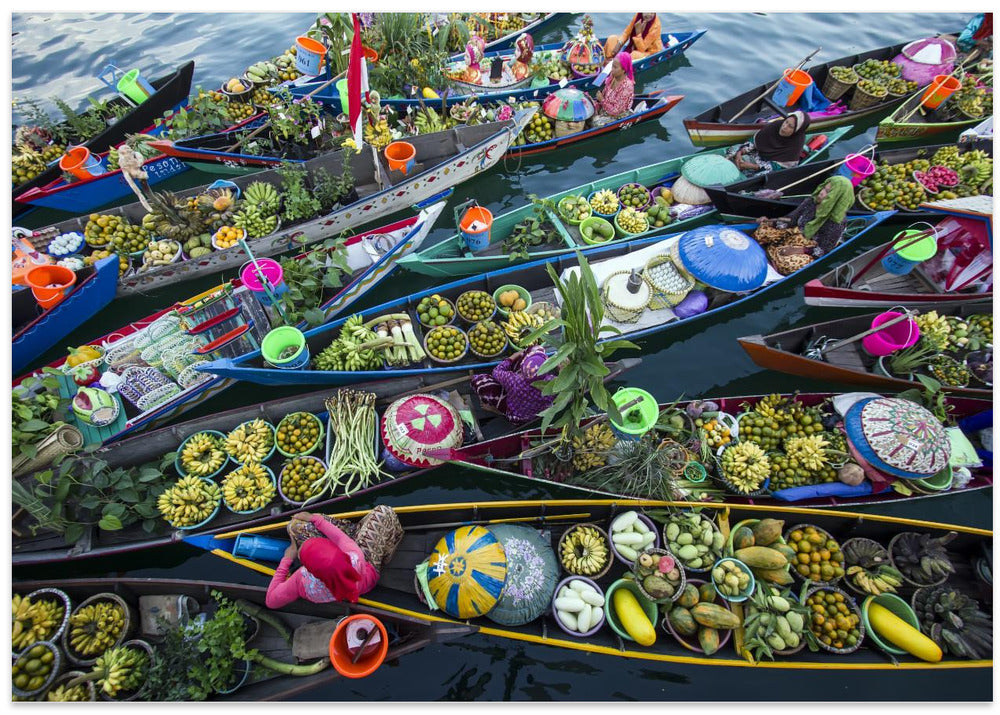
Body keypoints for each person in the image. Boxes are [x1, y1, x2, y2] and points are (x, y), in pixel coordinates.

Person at [266, 510, 388, 608]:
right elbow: (340, 538)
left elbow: (271, 601)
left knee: (294, 526)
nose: (300, 548)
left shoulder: (303, 582)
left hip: (341, 590)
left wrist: (286, 559)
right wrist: (316, 519)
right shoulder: (354, 557)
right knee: (383, 512)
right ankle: (364, 537)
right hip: (367, 575)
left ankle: (356, 532)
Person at [756, 176, 855, 273]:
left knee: (789, 264)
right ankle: (775, 257)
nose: (821, 192)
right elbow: (791, 219)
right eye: (824, 188)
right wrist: (770, 221)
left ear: (837, 198)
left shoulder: (837, 222)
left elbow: (823, 250)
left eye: (828, 192)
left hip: (809, 248)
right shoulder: (812, 201)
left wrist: (800, 250)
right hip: (794, 233)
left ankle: (775, 259)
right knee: (762, 232)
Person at [471, 345, 554, 425]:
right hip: (532, 416)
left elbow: (496, 371)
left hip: (514, 415)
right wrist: (559, 367)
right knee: (536, 348)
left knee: (480, 381)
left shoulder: (514, 380)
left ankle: (497, 411)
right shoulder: (552, 384)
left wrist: (512, 357)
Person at [726, 111, 811, 177]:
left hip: (766, 165)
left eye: (790, 126)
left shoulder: (795, 145)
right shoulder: (776, 125)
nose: (784, 127)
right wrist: (740, 152)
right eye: (786, 122)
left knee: (763, 175)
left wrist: (753, 166)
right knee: (734, 149)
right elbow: (754, 141)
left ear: (796, 130)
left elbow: (778, 168)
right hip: (757, 153)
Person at [591, 52, 635, 126]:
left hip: (618, 116)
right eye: (612, 66)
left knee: (594, 122)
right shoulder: (613, 77)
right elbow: (604, 96)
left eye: (615, 67)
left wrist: (602, 100)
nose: (612, 69)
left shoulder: (627, 86)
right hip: (605, 108)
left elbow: (616, 111)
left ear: (623, 70)